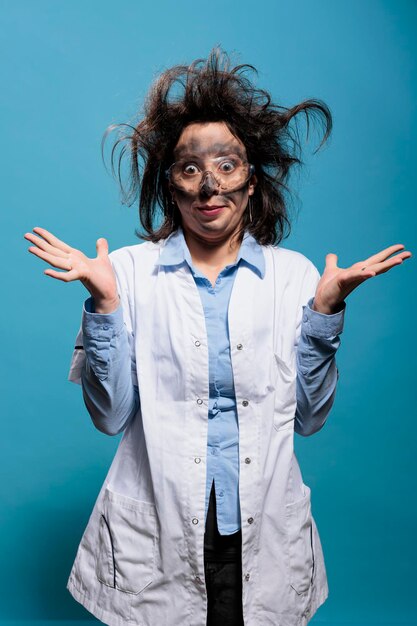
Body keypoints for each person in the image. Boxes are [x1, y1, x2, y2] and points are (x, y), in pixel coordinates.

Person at [24, 48, 411, 626]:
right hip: (157, 531)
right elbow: (110, 418)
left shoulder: (296, 277)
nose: (210, 187)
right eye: (189, 170)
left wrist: (325, 316)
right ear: (171, 186)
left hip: (259, 525)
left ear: (252, 181)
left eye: (227, 166)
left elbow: (309, 418)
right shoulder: (125, 273)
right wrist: (104, 305)